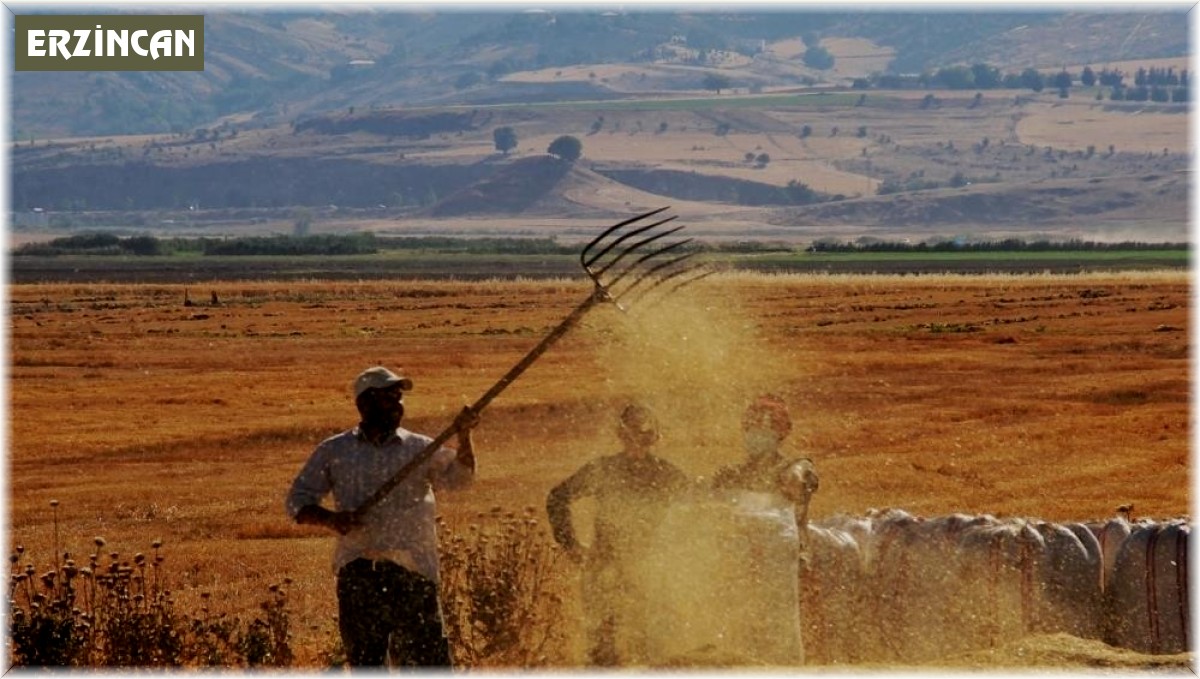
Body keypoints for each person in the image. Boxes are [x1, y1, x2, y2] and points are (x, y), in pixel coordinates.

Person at [286, 365, 479, 669]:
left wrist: (464, 436)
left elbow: (460, 480)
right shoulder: (335, 451)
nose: (397, 404)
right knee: (367, 665)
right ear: (364, 404)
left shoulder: (420, 448)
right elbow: (298, 502)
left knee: (430, 665)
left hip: (414, 571)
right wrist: (332, 520)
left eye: (399, 397)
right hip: (360, 573)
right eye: (388, 397)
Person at [546, 403, 691, 666]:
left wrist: (679, 554)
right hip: (606, 570)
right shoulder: (605, 469)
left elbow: (696, 509)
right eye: (631, 431)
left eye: (643, 432)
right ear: (621, 435)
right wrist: (572, 546)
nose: (637, 438)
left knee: (649, 648)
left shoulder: (666, 474)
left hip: (648, 572)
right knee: (605, 650)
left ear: (654, 437)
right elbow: (557, 498)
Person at [707, 393, 820, 666]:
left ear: (779, 433)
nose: (755, 434)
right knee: (739, 638)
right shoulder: (729, 475)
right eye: (751, 428)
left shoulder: (794, 468)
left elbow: (804, 478)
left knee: (783, 639)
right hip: (738, 567)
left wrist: (798, 472)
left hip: (786, 568)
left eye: (763, 428)